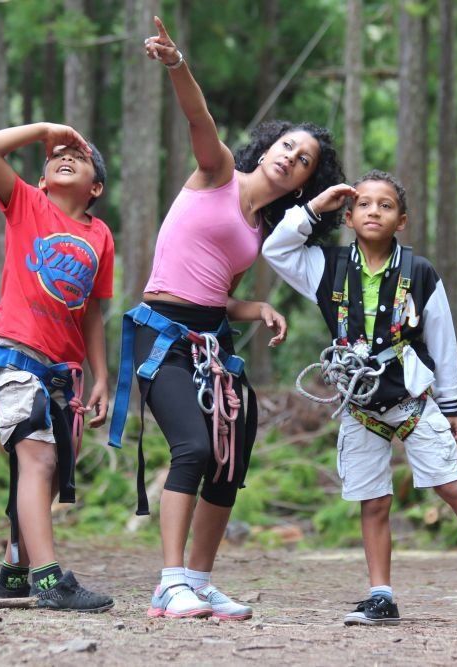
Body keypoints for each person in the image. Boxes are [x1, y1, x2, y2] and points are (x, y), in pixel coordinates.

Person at [107, 17, 346, 621]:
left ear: (306, 180)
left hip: (212, 340)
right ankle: (167, 583)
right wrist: (177, 63)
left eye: (304, 160)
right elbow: (197, 118)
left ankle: (199, 579)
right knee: (191, 446)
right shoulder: (215, 174)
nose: (291, 157)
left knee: (232, 451)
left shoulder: (259, 231)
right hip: (162, 336)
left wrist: (256, 306)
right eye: (287, 145)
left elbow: (214, 292)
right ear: (267, 147)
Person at [262, 170, 457, 625]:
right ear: (347, 216)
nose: (374, 211)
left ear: (401, 220)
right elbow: (275, 249)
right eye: (363, 204)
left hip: (413, 398)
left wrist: (451, 404)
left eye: (385, 205)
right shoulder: (327, 267)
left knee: (451, 484)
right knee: (374, 500)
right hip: (359, 403)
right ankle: (381, 595)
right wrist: (313, 207)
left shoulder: (419, 273)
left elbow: (441, 338)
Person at [0, 122, 114, 612]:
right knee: (38, 462)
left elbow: (92, 309)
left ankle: (13, 572)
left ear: (95, 187)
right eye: (58, 154)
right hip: (15, 354)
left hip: (63, 371)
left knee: (47, 475)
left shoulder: (100, 236)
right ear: (44, 178)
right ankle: (48, 581)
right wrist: (45, 131)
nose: (66, 154)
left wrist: (102, 375)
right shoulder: (27, 204)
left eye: (81, 154)